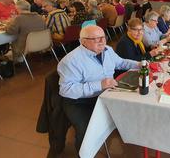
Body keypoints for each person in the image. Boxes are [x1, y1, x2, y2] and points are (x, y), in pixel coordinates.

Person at [58, 25, 140, 153]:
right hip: (80, 101)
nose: (102, 41)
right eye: (96, 39)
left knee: (132, 105)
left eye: (103, 37)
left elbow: (120, 62)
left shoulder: (107, 50)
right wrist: (99, 85)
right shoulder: (70, 61)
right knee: (87, 130)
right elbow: (66, 90)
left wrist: (139, 65)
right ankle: (84, 154)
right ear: (83, 41)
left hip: (106, 94)